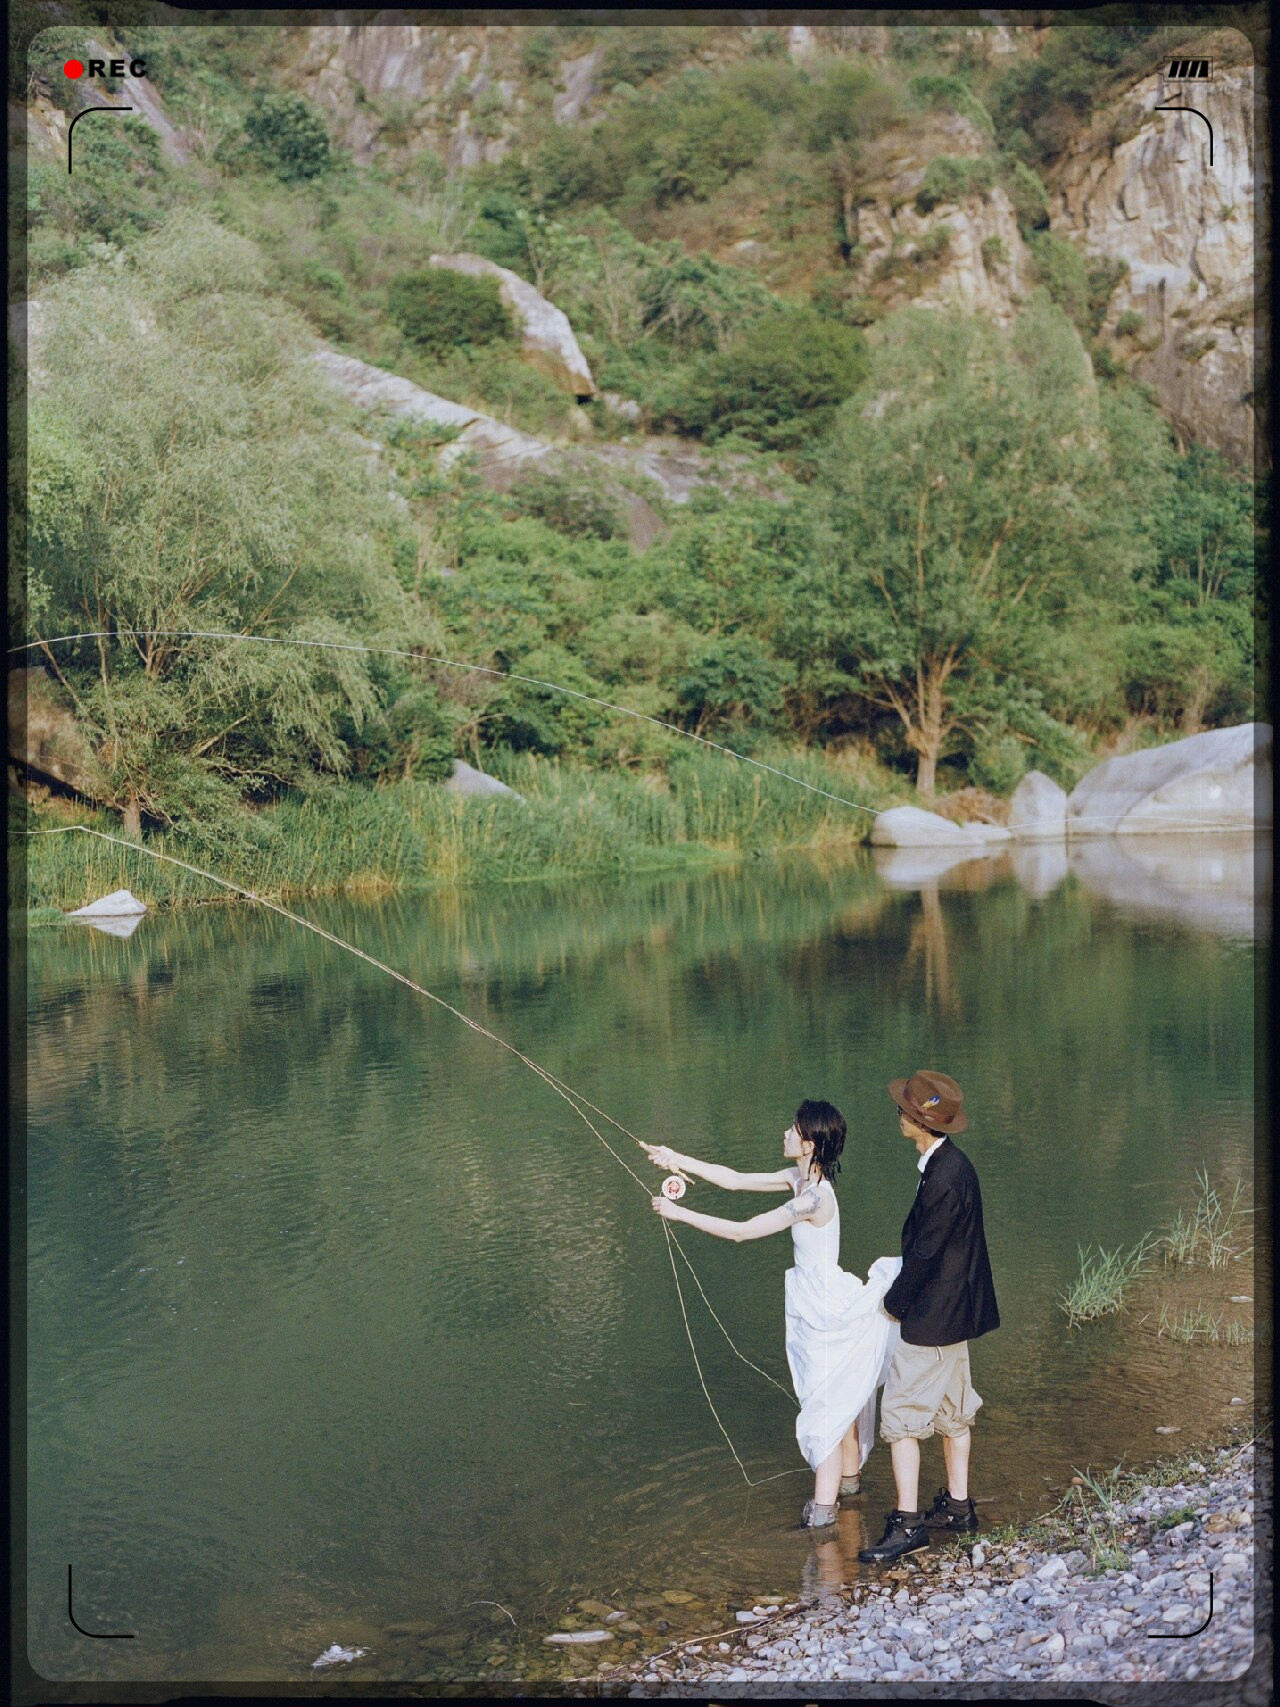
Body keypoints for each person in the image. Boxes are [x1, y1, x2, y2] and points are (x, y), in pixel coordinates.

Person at [644, 1101, 901, 1530]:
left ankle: (824, 1514)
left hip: (824, 1311)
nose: (784, 1132)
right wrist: (674, 1158)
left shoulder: (813, 1199)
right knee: (845, 1397)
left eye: (793, 1128)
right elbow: (734, 1180)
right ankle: (851, 1489)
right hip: (815, 1300)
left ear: (810, 1142)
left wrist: (679, 1213)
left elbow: (744, 1232)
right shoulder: (798, 1179)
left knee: (827, 1406)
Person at [858, 1071, 1000, 1565]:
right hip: (956, 1314)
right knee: (953, 1410)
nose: (898, 1114)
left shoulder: (940, 1177)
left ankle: (907, 1522)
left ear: (918, 1122)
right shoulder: (953, 1165)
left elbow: (925, 1252)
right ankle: (959, 1508)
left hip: (932, 1319)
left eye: (904, 1109)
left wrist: (894, 1302)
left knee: (901, 1417)